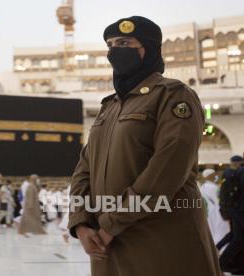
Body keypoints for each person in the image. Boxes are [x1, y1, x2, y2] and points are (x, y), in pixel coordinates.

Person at [68, 16, 221, 276]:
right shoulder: (110, 107)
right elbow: (84, 171)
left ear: (148, 49)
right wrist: (81, 223)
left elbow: (167, 169)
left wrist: (110, 224)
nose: (115, 50)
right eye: (111, 45)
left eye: (125, 42)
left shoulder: (172, 95)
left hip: (161, 240)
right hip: (107, 245)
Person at [218, 155, 244, 273]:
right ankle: (223, 262)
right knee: (238, 238)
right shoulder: (239, 172)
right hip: (239, 210)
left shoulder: (230, 173)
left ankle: (235, 265)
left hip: (234, 210)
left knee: (236, 236)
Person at [200, 169, 229, 244]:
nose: (215, 176)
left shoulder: (202, 187)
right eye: (214, 174)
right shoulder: (213, 187)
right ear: (210, 176)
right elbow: (219, 200)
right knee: (221, 230)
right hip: (217, 211)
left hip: (209, 212)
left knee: (212, 230)